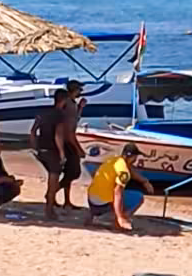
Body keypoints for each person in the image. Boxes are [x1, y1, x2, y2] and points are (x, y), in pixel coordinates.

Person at [85, 142, 155, 231]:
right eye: (135, 157)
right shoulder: (124, 172)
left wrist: (144, 181)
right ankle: (115, 220)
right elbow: (118, 192)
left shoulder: (114, 160)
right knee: (139, 198)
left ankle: (99, 216)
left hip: (92, 202)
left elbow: (130, 169)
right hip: (103, 205)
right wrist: (120, 217)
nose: (136, 160)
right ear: (132, 157)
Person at [29, 88, 71, 220]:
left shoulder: (44, 113)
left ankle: (50, 206)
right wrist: (62, 153)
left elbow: (32, 131)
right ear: (63, 100)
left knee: (51, 178)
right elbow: (58, 135)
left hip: (42, 149)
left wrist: (35, 147)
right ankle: (49, 210)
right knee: (53, 181)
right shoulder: (60, 115)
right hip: (53, 150)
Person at [57, 78, 87, 208]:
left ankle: (67, 201)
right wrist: (78, 148)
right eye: (80, 89)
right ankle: (52, 193)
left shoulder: (73, 104)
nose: (81, 91)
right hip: (67, 141)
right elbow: (69, 130)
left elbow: (75, 119)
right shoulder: (68, 104)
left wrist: (80, 108)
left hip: (68, 139)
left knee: (69, 172)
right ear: (74, 90)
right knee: (73, 172)